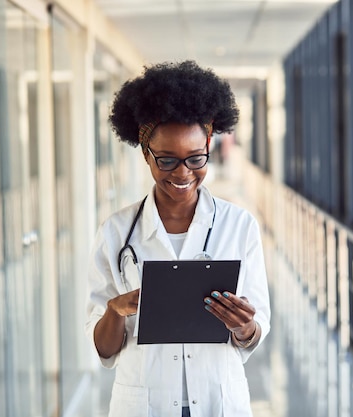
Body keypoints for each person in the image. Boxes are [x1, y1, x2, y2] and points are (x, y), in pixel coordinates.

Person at [86, 60, 271, 417]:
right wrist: (114, 310)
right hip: (144, 404)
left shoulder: (240, 225)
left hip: (219, 400)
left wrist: (245, 326)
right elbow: (104, 349)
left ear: (209, 145)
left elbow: (255, 329)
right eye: (167, 161)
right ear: (145, 154)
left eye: (196, 158)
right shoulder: (115, 232)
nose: (183, 174)